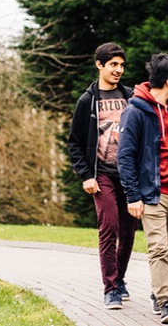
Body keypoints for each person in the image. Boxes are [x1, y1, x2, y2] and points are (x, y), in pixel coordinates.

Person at [117, 53, 168, 324]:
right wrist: (133, 195)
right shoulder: (135, 111)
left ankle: (159, 292)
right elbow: (125, 156)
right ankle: (167, 301)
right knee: (158, 250)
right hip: (152, 194)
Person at [68, 42, 139, 310]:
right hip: (102, 176)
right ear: (100, 65)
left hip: (130, 177)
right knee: (108, 228)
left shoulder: (131, 98)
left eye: (121, 65)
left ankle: (119, 279)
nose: (118, 70)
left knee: (128, 233)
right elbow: (75, 142)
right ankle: (110, 288)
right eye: (113, 65)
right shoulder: (88, 101)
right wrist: (86, 175)